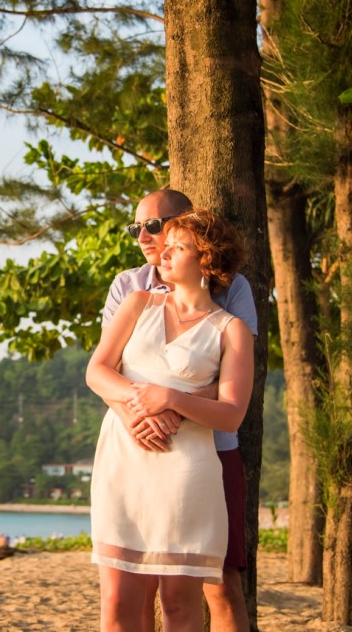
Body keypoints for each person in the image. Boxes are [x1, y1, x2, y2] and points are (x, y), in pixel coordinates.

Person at [87, 206, 254, 632]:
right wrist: (142, 403)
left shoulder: (230, 329)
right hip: (123, 461)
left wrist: (172, 399)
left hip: (185, 471)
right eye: (168, 244)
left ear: (207, 260)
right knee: (118, 601)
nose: (164, 252)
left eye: (179, 247)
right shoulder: (137, 301)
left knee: (180, 606)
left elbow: (232, 414)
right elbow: (97, 371)